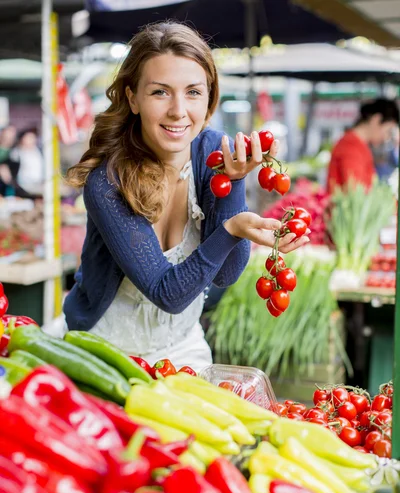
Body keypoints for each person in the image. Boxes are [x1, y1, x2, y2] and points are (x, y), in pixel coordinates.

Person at [64, 21, 309, 371]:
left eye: (193, 92)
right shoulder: (107, 182)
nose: (178, 110)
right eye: (160, 92)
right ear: (133, 98)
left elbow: (225, 275)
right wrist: (231, 229)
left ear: (209, 97)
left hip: (183, 346)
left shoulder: (211, 153)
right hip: (104, 350)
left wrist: (233, 180)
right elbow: (168, 293)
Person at [326, 98, 399, 194]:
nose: (386, 138)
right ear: (376, 120)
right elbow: (356, 191)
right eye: (388, 131)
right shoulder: (350, 146)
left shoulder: (359, 145)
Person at [9, 128, 44, 198]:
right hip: (23, 185)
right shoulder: (16, 153)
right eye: (29, 138)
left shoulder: (38, 151)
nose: (31, 140)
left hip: (38, 183)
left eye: (33, 138)